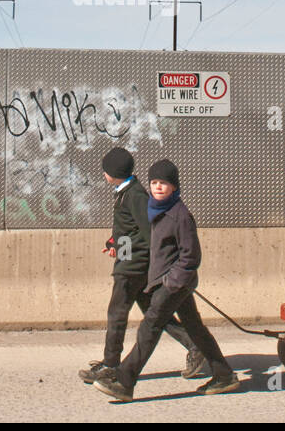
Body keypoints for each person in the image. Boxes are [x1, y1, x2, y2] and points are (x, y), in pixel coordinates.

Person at [94, 158, 240, 402]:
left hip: (173, 284)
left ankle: (124, 380)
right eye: (154, 182)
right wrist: (117, 245)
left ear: (174, 186)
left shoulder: (179, 215)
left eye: (164, 183)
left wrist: (172, 282)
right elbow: (133, 234)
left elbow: (191, 257)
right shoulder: (154, 208)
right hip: (164, 280)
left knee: (149, 328)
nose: (158, 187)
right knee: (194, 328)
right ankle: (224, 374)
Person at [78, 148, 208, 385]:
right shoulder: (124, 192)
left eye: (106, 170)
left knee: (117, 313)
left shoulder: (135, 195)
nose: (104, 174)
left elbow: (150, 233)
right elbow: (128, 230)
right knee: (157, 315)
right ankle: (196, 347)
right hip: (132, 263)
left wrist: (129, 256)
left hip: (133, 268)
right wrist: (115, 244)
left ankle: (110, 364)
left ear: (114, 173)